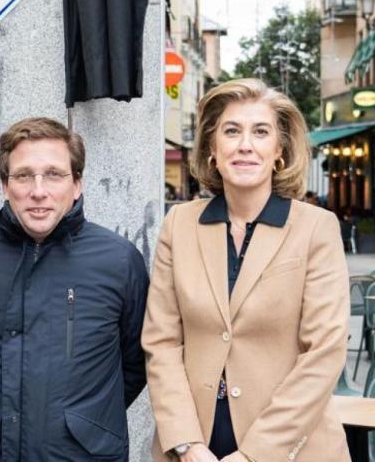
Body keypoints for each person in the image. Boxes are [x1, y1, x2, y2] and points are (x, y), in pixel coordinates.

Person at [142, 79, 350, 462]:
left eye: (260, 132)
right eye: (231, 131)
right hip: (194, 450)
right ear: (212, 149)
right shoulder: (179, 225)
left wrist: (254, 454)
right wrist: (187, 444)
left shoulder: (316, 228)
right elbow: (162, 343)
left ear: (279, 151)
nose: (245, 145)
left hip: (291, 449)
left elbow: (323, 352)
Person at [0, 117, 149, 462]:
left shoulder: (120, 260)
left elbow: (135, 362)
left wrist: (82, 423)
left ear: (77, 183)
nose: (39, 190)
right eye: (23, 175)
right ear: (5, 185)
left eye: (54, 174)